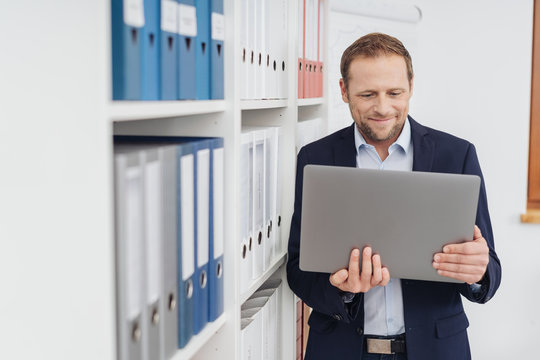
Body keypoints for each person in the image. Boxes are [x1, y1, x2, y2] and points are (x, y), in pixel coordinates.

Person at [286, 33, 501, 360]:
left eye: (395, 92)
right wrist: (343, 292)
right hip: (341, 349)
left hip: (435, 349)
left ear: (411, 86)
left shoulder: (455, 155)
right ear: (344, 91)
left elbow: (490, 268)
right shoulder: (316, 158)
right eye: (368, 94)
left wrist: (478, 272)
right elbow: (299, 269)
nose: (383, 107)